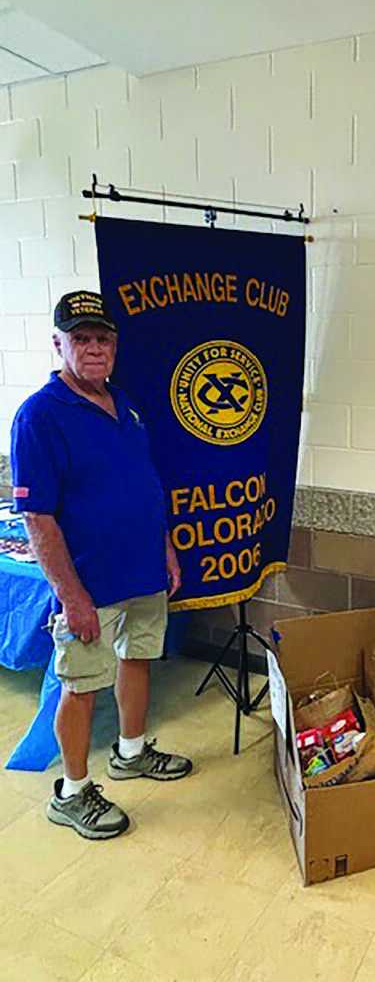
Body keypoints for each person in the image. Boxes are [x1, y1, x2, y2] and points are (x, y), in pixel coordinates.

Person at [10, 290, 192, 841]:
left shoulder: (127, 406)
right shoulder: (39, 416)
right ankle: (70, 791)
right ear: (58, 344)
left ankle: (131, 751)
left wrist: (164, 546)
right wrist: (72, 597)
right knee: (82, 683)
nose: (93, 349)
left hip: (142, 570)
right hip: (91, 581)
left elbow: (144, 484)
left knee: (138, 658)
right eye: (81, 338)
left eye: (103, 339)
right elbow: (37, 518)